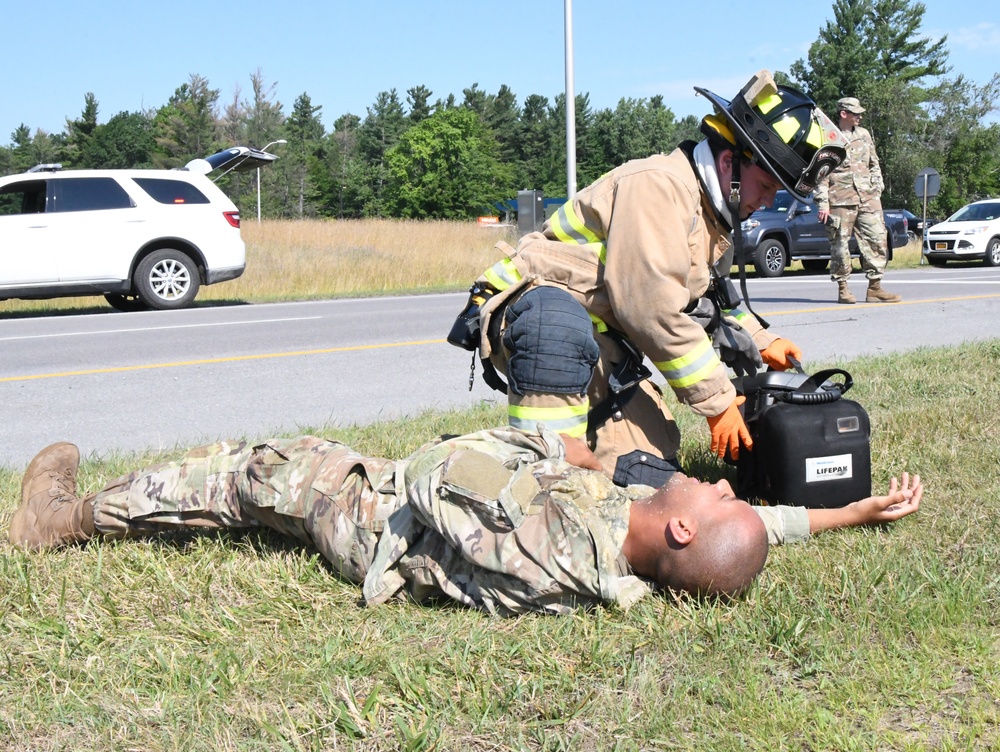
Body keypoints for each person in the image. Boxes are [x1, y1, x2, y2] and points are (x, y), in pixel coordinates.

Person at [8, 429, 922, 615]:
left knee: (250, 476)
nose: (719, 488)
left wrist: (564, 451)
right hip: (414, 516)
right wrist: (850, 511)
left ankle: (68, 519)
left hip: (375, 519)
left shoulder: (553, 534)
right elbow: (751, 529)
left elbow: (438, 469)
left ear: (680, 532)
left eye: (715, 497)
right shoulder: (644, 537)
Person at [448, 70, 849, 489]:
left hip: (600, 334)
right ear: (731, 161)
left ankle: (496, 463)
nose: (768, 200)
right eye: (766, 185)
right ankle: (543, 482)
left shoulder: (712, 212)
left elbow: (704, 299)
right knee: (557, 330)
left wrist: (763, 341)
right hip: (536, 313)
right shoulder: (659, 187)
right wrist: (718, 403)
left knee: (650, 470)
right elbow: (651, 309)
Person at [815, 97, 902, 305]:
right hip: (840, 199)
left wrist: (877, 187)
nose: (860, 116)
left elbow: (874, 163)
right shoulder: (829, 136)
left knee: (878, 239)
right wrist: (823, 203)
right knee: (840, 246)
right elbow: (821, 173)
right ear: (843, 114)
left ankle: (875, 288)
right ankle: (843, 288)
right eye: (856, 113)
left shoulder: (864, 135)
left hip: (868, 197)